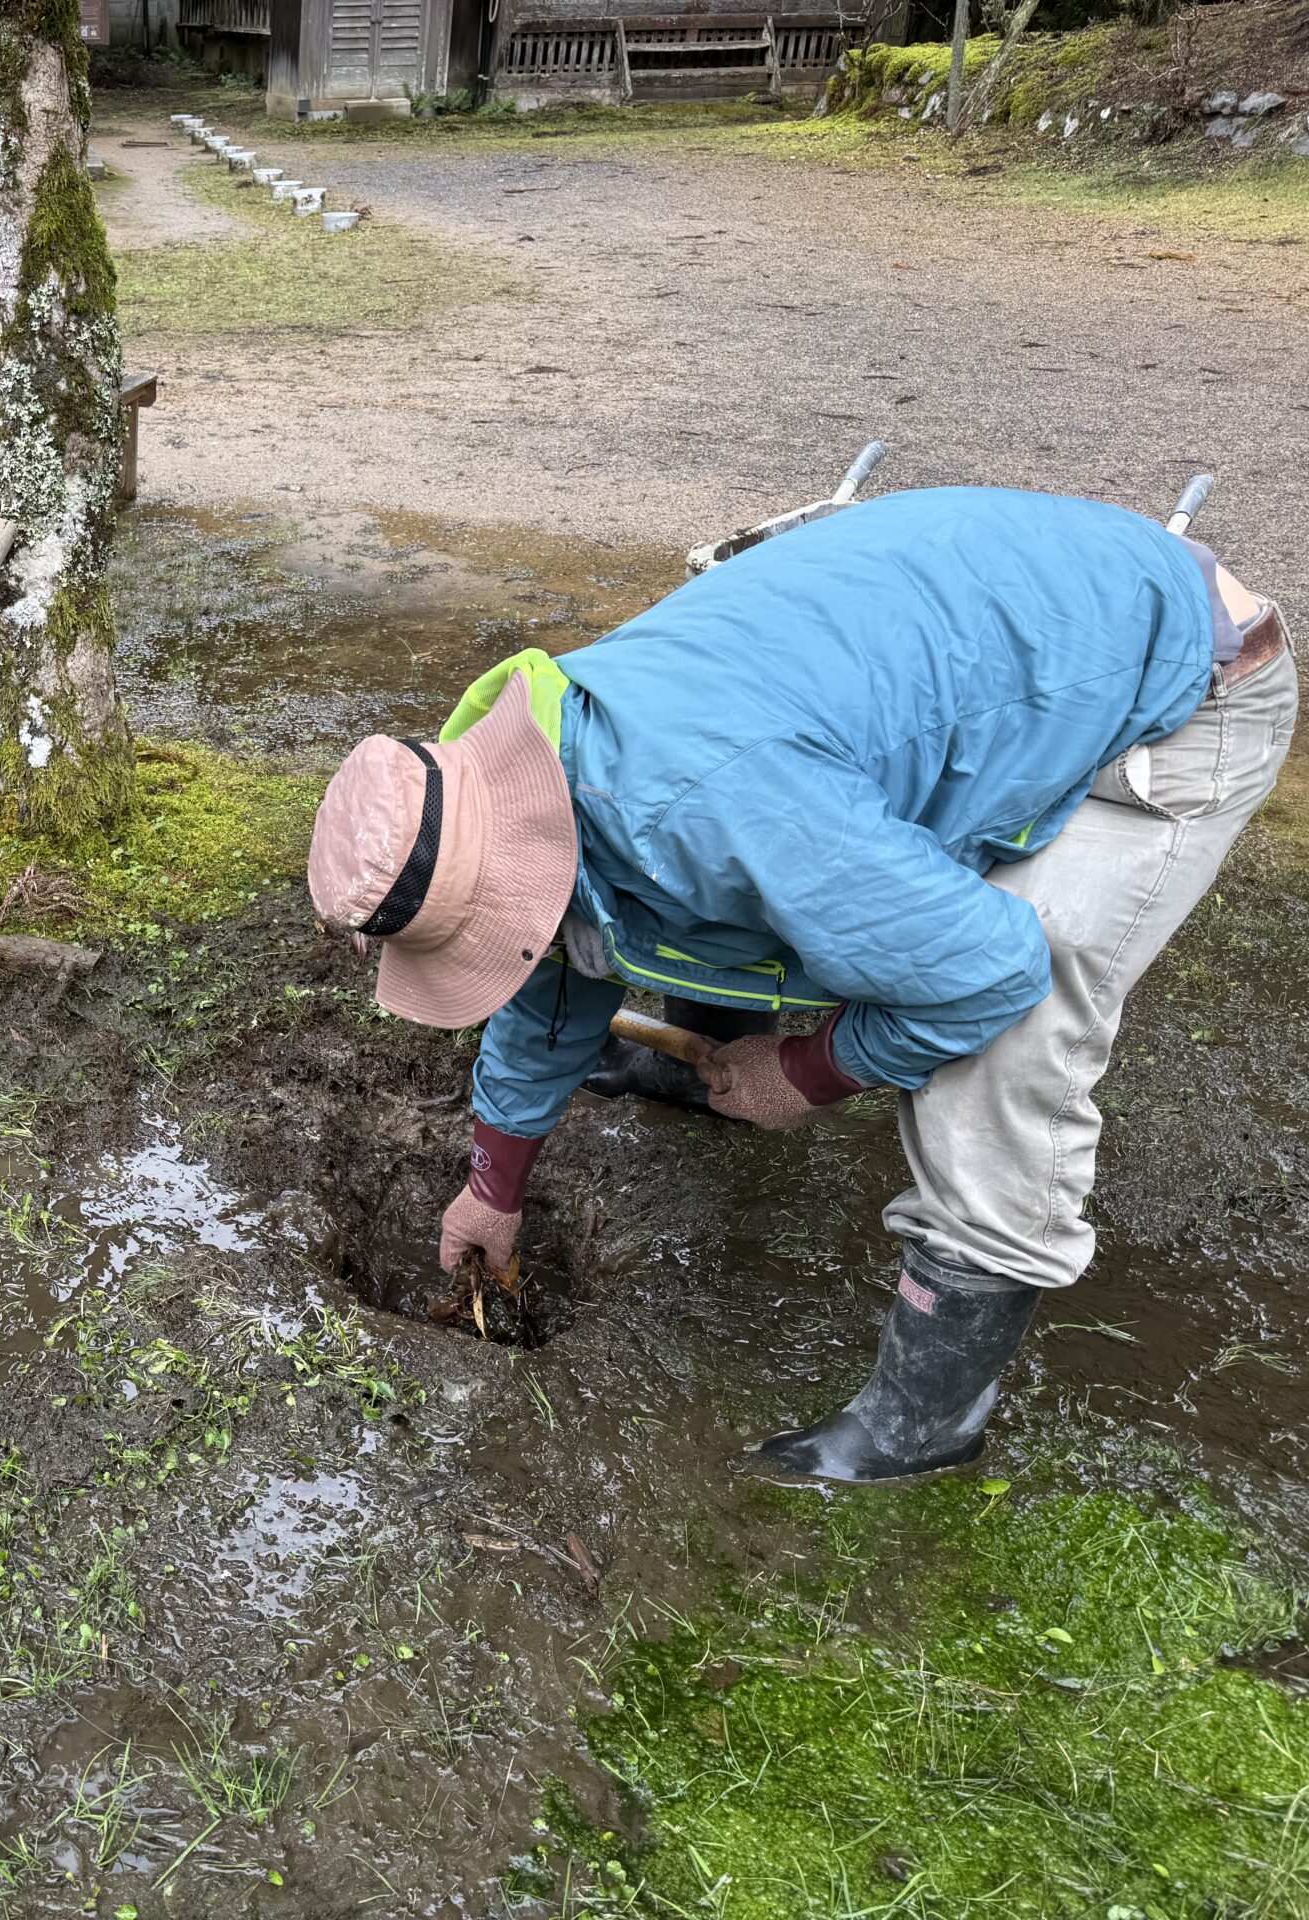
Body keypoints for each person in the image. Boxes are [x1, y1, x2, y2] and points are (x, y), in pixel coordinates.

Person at [305, 487, 1295, 1485]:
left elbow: (991, 970)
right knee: (790, 893)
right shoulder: (538, 767)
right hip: (1027, 621)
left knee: (1000, 1041)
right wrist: (494, 1184)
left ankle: (923, 1425)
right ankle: (717, 1058)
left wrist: (814, 1067)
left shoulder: (716, 805)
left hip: (1180, 692)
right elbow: (551, 954)